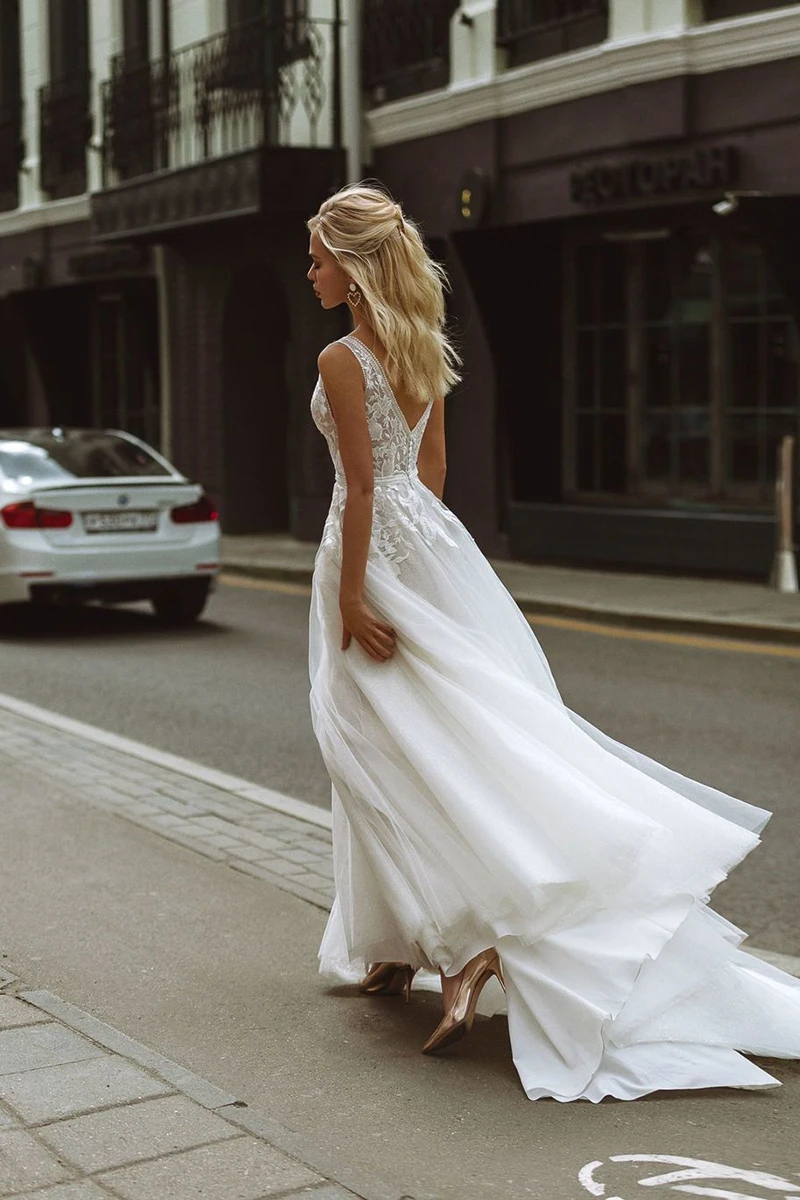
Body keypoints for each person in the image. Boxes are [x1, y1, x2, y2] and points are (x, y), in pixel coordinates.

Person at [306, 183, 800, 1102]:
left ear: (357, 266)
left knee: (371, 750)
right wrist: (432, 568)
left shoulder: (343, 356)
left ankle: (463, 945)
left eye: (320, 259)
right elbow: (433, 470)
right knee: (440, 746)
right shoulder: (422, 346)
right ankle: (395, 946)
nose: (312, 273)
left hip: (370, 557)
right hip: (430, 550)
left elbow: (364, 488)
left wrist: (352, 594)